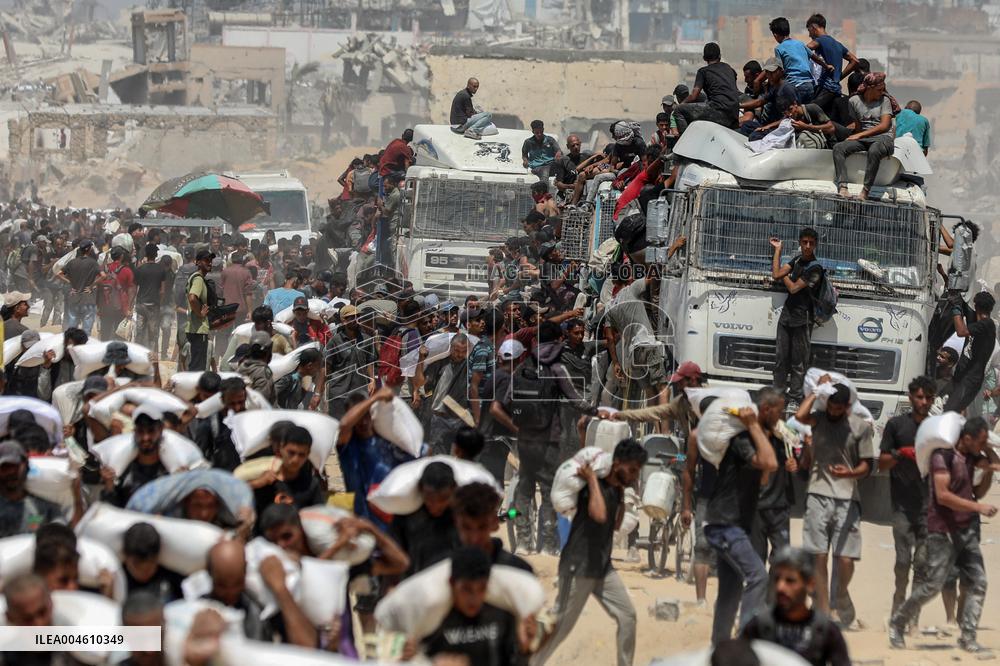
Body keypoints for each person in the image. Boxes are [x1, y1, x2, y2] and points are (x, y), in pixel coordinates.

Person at [532, 439, 647, 666]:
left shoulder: (616, 489)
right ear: (617, 463)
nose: (635, 476)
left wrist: (623, 496)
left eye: (637, 471)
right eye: (632, 470)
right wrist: (593, 479)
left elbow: (616, 525)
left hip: (602, 567)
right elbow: (599, 515)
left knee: (628, 616)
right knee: (560, 627)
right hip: (578, 566)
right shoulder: (591, 487)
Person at [888, 417, 998, 653]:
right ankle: (898, 622)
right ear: (966, 438)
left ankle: (968, 637)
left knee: (979, 582)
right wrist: (978, 507)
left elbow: (993, 470)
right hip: (942, 531)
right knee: (932, 586)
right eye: (979, 441)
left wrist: (987, 450)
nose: (981, 446)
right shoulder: (942, 457)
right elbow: (943, 496)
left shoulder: (972, 458)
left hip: (966, 530)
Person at [794, 380, 875, 626]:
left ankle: (840, 595)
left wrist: (849, 473)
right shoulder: (818, 419)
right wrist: (817, 391)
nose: (834, 411)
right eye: (831, 406)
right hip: (817, 494)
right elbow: (799, 416)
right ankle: (823, 609)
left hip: (848, 497)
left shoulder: (860, 427)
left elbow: (867, 466)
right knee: (818, 556)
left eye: (839, 408)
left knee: (845, 559)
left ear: (847, 406)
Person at [704, 389, 781, 645]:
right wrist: (753, 425)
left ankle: (719, 647)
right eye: (779, 411)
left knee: (730, 591)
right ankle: (745, 642)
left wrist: (763, 435)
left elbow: (764, 477)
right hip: (726, 524)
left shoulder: (752, 439)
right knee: (758, 577)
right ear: (766, 410)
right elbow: (771, 464)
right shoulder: (742, 439)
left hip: (731, 524)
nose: (781, 416)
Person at [878, 375, 935, 622]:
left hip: (929, 508)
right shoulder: (896, 426)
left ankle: (912, 618)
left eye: (929, 398)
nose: (924, 402)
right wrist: (901, 454)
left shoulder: (936, 429)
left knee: (921, 565)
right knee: (902, 562)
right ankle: (898, 603)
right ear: (911, 397)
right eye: (920, 397)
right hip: (901, 506)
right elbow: (881, 464)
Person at [742, 546, 851, 666]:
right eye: (777, 579)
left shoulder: (826, 631)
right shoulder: (757, 627)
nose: (780, 587)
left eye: (790, 581)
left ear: (810, 584)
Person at [415, 547, 519, 665]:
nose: (474, 598)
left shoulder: (502, 617)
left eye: (481, 588)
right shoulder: (434, 621)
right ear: (452, 583)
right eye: (466, 589)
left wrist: (524, 651)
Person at [769, 228, 823, 409]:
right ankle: (777, 396)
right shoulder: (797, 260)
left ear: (815, 245)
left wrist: (785, 274)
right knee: (780, 359)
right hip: (786, 316)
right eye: (804, 242)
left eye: (811, 243)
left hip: (803, 319)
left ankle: (794, 398)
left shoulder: (815, 268)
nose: (807, 246)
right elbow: (775, 274)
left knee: (798, 363)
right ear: (800, 243)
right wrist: (778, 250)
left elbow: (792, 288)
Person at [390, 461, 460, 577]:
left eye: (443, 498)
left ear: (454, 488)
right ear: (420, 488)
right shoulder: (406, 514)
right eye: (429, 498)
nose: (436, 505)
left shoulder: (461, 516)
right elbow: (395, 553)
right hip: (415, 582)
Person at [833, 72, 895, 200]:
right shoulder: (854, 101)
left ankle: (865, 191)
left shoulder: (885, 101)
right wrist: (856, 136)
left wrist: (859, 135)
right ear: (870, 88)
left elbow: (884, 126)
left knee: (874, 150)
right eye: (879, 90)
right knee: (839, 148)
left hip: (883, 138)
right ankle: (843, 187)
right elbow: (858, 125)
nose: (882, 92)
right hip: (864, 138)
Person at [250, 424, 327, 519]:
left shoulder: (311, 485)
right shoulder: (263, 478)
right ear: (281, 449)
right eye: (291, 453)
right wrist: (257, 484)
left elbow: (319, 519)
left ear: (308, 454)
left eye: (301, 455)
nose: (295, 460)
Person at [101, 404, 170, 507]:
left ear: (160, 431)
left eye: (151, 431)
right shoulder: (124, 471)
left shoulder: (169, 469)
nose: (145, 438)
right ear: (134, 432)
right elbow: (111, 508)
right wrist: (109, 486)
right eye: (141, 431)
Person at [943, 291, 996, 413]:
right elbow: (965, 308)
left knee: (950, 411)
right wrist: (957, 298)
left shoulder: (987, 325)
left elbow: (961, 332)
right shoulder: (978, 321)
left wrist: (956, 309)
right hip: (961, 375)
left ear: (976, 306)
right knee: (945, 407)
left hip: (970, 379)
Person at [0, 441, 65, 538]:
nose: (10, 472)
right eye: (5, 468)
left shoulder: (44, 507)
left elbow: (61, 538)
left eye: (15, 467)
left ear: (26, 465)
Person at [673, 42, 740, 134]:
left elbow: (694, 96)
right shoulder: (729, 69)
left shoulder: (703, 72)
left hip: (718, 111)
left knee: (678, 111)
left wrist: (680, 105)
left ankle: (685, 139)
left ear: (704, 58)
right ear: (720, 56)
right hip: (734, 114)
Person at [325, 304, 374, 418]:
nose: (355, 320)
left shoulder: (366, 340)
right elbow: (327, 366)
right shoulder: (334, 341)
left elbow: (369, 361)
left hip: (360, 392)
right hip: (339, 393)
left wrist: (372, 380)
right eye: (351, 318)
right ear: (343, 321)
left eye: (357, 317)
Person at [805, 14, 860, 114]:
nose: (809, 35)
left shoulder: (820, 40)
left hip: (825, 88)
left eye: (809, 31)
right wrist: (839, 76)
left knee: (808, 111)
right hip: (836, 89)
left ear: (813, 27)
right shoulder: (837, 44)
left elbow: (805, 49)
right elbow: (855, 61)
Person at [121, 522, 183, 603]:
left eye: (149, 568)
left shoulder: (172, 576)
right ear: (125, 556)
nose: (142, 573)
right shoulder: (118, 578)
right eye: (136, 566)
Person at [58, 239, 100, 334]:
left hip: (74, 298)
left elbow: (58, 274)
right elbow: (103, 276)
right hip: (88, 299)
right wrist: (91, 286)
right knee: (86, 331)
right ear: (88, 249)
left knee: (72, 329)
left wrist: (70, 282)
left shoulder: (72, 262)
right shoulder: (93, 263)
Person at [769, 17, 814, 103]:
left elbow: (780, 70)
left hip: (795, 86)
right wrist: (826, 66)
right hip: (809, 85)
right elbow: (814, 56)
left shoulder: (779, 48)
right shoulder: (800, 43)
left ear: (775, 35)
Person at [133, 243, 169, 353]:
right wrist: (159, 303)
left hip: (141, 304)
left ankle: (137, 353)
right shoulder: (161, 270)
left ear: (146, 255)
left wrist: (131, 305)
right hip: (154, 305)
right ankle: (152, 355)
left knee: (139, 331)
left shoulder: (139, 269)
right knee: (153, 333)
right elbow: (162, 291)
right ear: (156, 255)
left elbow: (134, 289)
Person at [184, 249, 214, 372]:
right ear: (198, 262)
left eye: (210, 260)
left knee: (195, 364)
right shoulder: (198, 279)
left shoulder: (196, 277)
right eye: (206, 260)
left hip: (194, 328)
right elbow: (192, 298)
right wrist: (200, 314)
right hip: (198, 329)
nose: (210, 263)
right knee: (198, 367)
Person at [220, 250, 254, 326]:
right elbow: (248, 294)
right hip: (240, 308)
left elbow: (221, 290)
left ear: (232, 260)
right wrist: (250, 311)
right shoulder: (246, 272)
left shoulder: (225, 272)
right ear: (242, 260)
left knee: (227, 331)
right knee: (239, 330)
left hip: (227, 307)